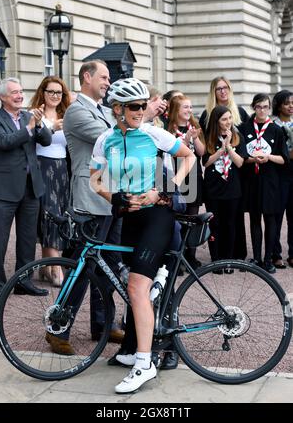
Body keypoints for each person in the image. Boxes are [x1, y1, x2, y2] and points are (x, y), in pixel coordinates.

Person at [90, 77, 195, 393]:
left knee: (136, 287)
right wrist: (113, 197)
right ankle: (138, 344)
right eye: (133, 106)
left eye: (142, 105)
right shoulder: (105, 140)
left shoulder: (153, 133)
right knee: (134, 287)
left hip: (156, 218)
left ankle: (144, 362)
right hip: (127, 219)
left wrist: (165, 190)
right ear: (118, 109)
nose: (140, 111)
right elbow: (94, 180)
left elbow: (188, 156)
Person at [62, 59, 124, 345]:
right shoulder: (77, 111)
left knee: (108, 265)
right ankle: (58, 326)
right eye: (103, 76)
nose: (108, 82)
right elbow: (109, 140)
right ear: (86, 77)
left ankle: (103, 324)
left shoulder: (105, 111)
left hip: (110, 197)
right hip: (89, 198)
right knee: (82, 267)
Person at [0, 77, 52, 296]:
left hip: (31, 188)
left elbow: (46, 140)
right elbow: (4, 142)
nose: (19, 96)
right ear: (2, 97)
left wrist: (39, 124)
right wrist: (28, 128)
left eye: (20, 92)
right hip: (3, 190)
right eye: (14, 93)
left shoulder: (29, 116)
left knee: (27, 239)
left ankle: (23, 281)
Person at [200, 76, 250, 262]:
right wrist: (222, 148)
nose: (223, 91)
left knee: (233, 221)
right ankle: (217, 258)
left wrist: (229, 146)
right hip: (215, 182)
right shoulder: (208, 119)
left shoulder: (239, 116)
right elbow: (205, 159)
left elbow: (240, 159)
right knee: (216, 222)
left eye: (225, 87)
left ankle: (233, 256)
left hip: (234, 179)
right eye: (218, 88)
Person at [240, 93, 289, 274]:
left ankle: (268, 258)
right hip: (252, 180)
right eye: (259, 107)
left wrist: (268, 157)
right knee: (254, 219)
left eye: (265, 107)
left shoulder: (276, 130)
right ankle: (257, 258)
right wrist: (252, 160)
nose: (262, 110)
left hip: (270, 181)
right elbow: (242, 157)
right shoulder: (245, 128)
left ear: (269, 108)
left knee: (270, 219)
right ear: (253, 107)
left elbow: (284, 159)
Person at [29, 76, 71, 287]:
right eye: (51, 91)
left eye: (59, 92)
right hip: (42, 166)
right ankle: (55, 268)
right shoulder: (35, 114)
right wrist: (52, 127)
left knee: (59, 214)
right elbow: (35, 139)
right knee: (49, 215)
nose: (55, 96)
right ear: (43, 92)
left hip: (62, 168)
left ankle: (47, 266)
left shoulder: (67, 114)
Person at [167, 94, 205, 266]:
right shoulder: (168, 130)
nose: (189, 110)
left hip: (194, 176)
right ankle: (176, 255)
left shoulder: (194, 126)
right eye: (185, 107)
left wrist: (194, 138)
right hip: (177, 177)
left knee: (192, 216)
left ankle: (191, 255)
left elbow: (201, 152)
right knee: (177, 217)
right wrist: (186, 139)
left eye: (190, 107)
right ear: (176, 110)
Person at [271, 90, 293, 268]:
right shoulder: (272, 125)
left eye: (292, 103)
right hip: (278, 174)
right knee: (276, 216)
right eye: (287, 103)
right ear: (278, 105)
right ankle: (275, 254)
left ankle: (292, 254)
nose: (291, 106)